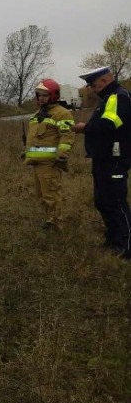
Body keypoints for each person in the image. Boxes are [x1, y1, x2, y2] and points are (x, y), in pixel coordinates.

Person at [72, 66, 131, 260]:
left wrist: (84, 128)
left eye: (93, 84)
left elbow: (109, 124)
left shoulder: (117, 97)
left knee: (115, 202)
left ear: (104, 81)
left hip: (114, 160)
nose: (91, 88)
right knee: (103, 201)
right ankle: (113, 240)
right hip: (104, 159)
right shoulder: (108, 99)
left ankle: (126, 246)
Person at [23, 79, 75, 230]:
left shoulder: (62, 114)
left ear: (53, 95)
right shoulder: (37, 114)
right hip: (36, 163)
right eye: (39, 95)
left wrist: (62, 155)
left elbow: (67, 136)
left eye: (45, 95)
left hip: (50, 163)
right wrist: (27, 152)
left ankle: (56, 223)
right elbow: (36, 138)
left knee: (51, 194)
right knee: (42, 195)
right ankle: (50, 219)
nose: (41, 98)